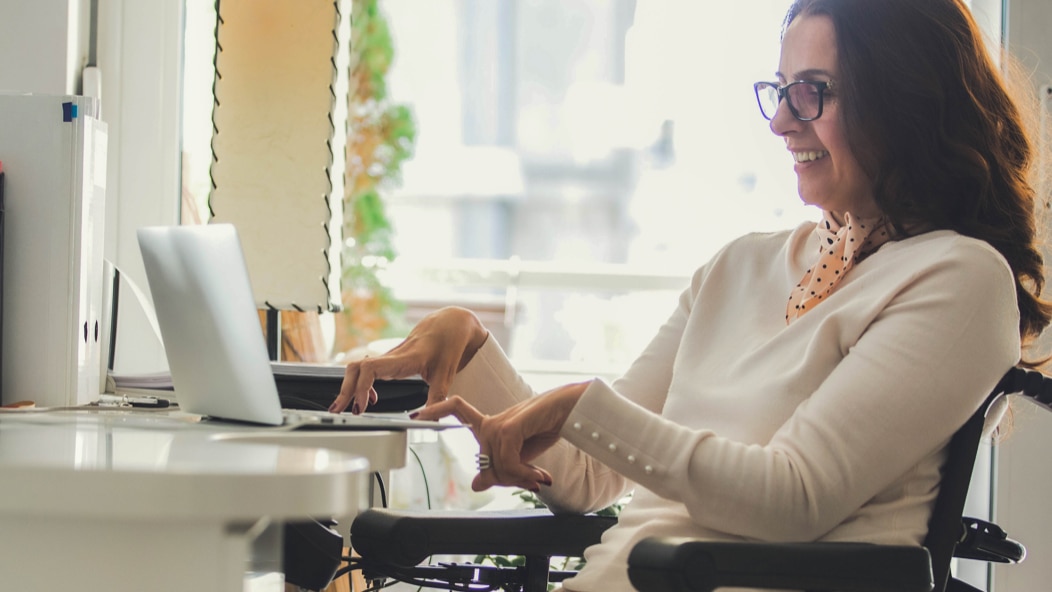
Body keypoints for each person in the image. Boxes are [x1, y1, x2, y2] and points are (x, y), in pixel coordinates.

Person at [330, 0, 1052, 589]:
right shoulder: (739, 267)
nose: (779, 121)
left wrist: (581, 403)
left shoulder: (958, 280)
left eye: (813, 92)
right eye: (779, 89)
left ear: (904, 99)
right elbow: (589, 472)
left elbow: (793, 497)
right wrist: (471, 348)